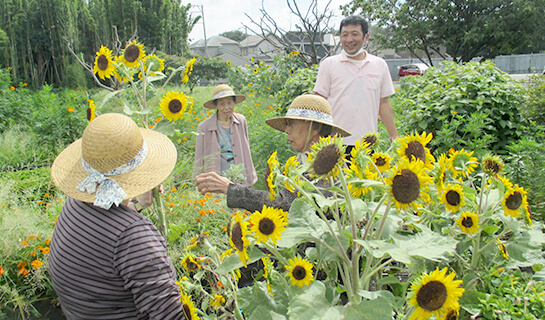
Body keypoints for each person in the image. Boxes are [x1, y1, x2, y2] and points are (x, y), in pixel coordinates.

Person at [48, 113, 187, 320]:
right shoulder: (134, 237)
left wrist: (136, 204)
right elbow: (170, 315)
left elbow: (105, 235)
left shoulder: (74, 206)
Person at [194, 94, 350, 213]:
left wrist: (231, 189)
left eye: (292, 123)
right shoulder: (302, 160)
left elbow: (284, 203)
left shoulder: (328, 165)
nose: (287, 130)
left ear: (315, 127)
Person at [313, 15, 399, 157]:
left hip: (367, 144)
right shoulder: (329, 64)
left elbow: (383, 104)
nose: (349, 39)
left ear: (366, 37)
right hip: (334, 142)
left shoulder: (379, 65)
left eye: (355, 34)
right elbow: (319, 102)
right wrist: (315, 138)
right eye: (344, 35)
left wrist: (394, 136)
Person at [192, 84, 257, 186]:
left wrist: (249, 175)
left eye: (230, 103)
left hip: (238, 172)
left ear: (234, 103)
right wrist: (197, 179)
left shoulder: (241, 121)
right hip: (217, 172)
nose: (227, 108)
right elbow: (199, 156)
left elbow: (246, 149)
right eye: (222, 104)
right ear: (216, 106)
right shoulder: (204, 126)